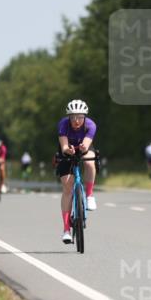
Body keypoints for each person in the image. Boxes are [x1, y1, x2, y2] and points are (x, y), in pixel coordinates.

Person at [57, 99, 97, 243]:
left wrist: (82, 148)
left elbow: (86, 145)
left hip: (83, 148)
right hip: (67, 151)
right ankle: (66, 229)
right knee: (68, 187)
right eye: (73, 117)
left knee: (90, 163)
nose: (76, 120)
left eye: (79, 116)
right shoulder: (63, 124)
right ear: (69, 117)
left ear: (84, 117)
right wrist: (68, 150)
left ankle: (90, 195)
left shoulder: (90, 125)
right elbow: (64, 146)